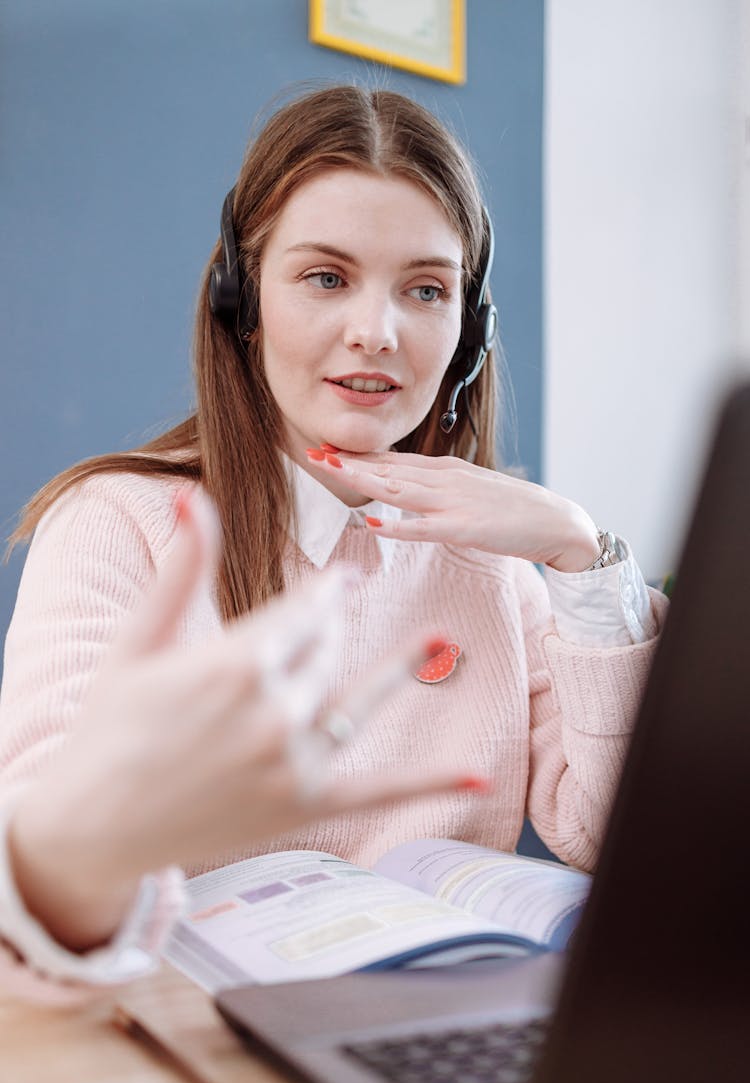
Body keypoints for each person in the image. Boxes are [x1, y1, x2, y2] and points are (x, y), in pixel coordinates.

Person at [1, 83, 667, 975]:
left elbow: (611, 833)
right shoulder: (114, 527)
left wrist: (583, 556)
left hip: (426, 1039)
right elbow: (35, 880)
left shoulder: (500, 570)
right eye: (326, 277)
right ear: (244, 302)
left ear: (467, 333)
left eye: (426, 290)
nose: (376, 332)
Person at [0, 487, 479, 999]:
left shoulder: (492, 549)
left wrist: (575, 567)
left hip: (461, 1004)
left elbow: (575, 830)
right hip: (184, 1031)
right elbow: (49, 797)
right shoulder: (113, 516)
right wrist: (75, 863)